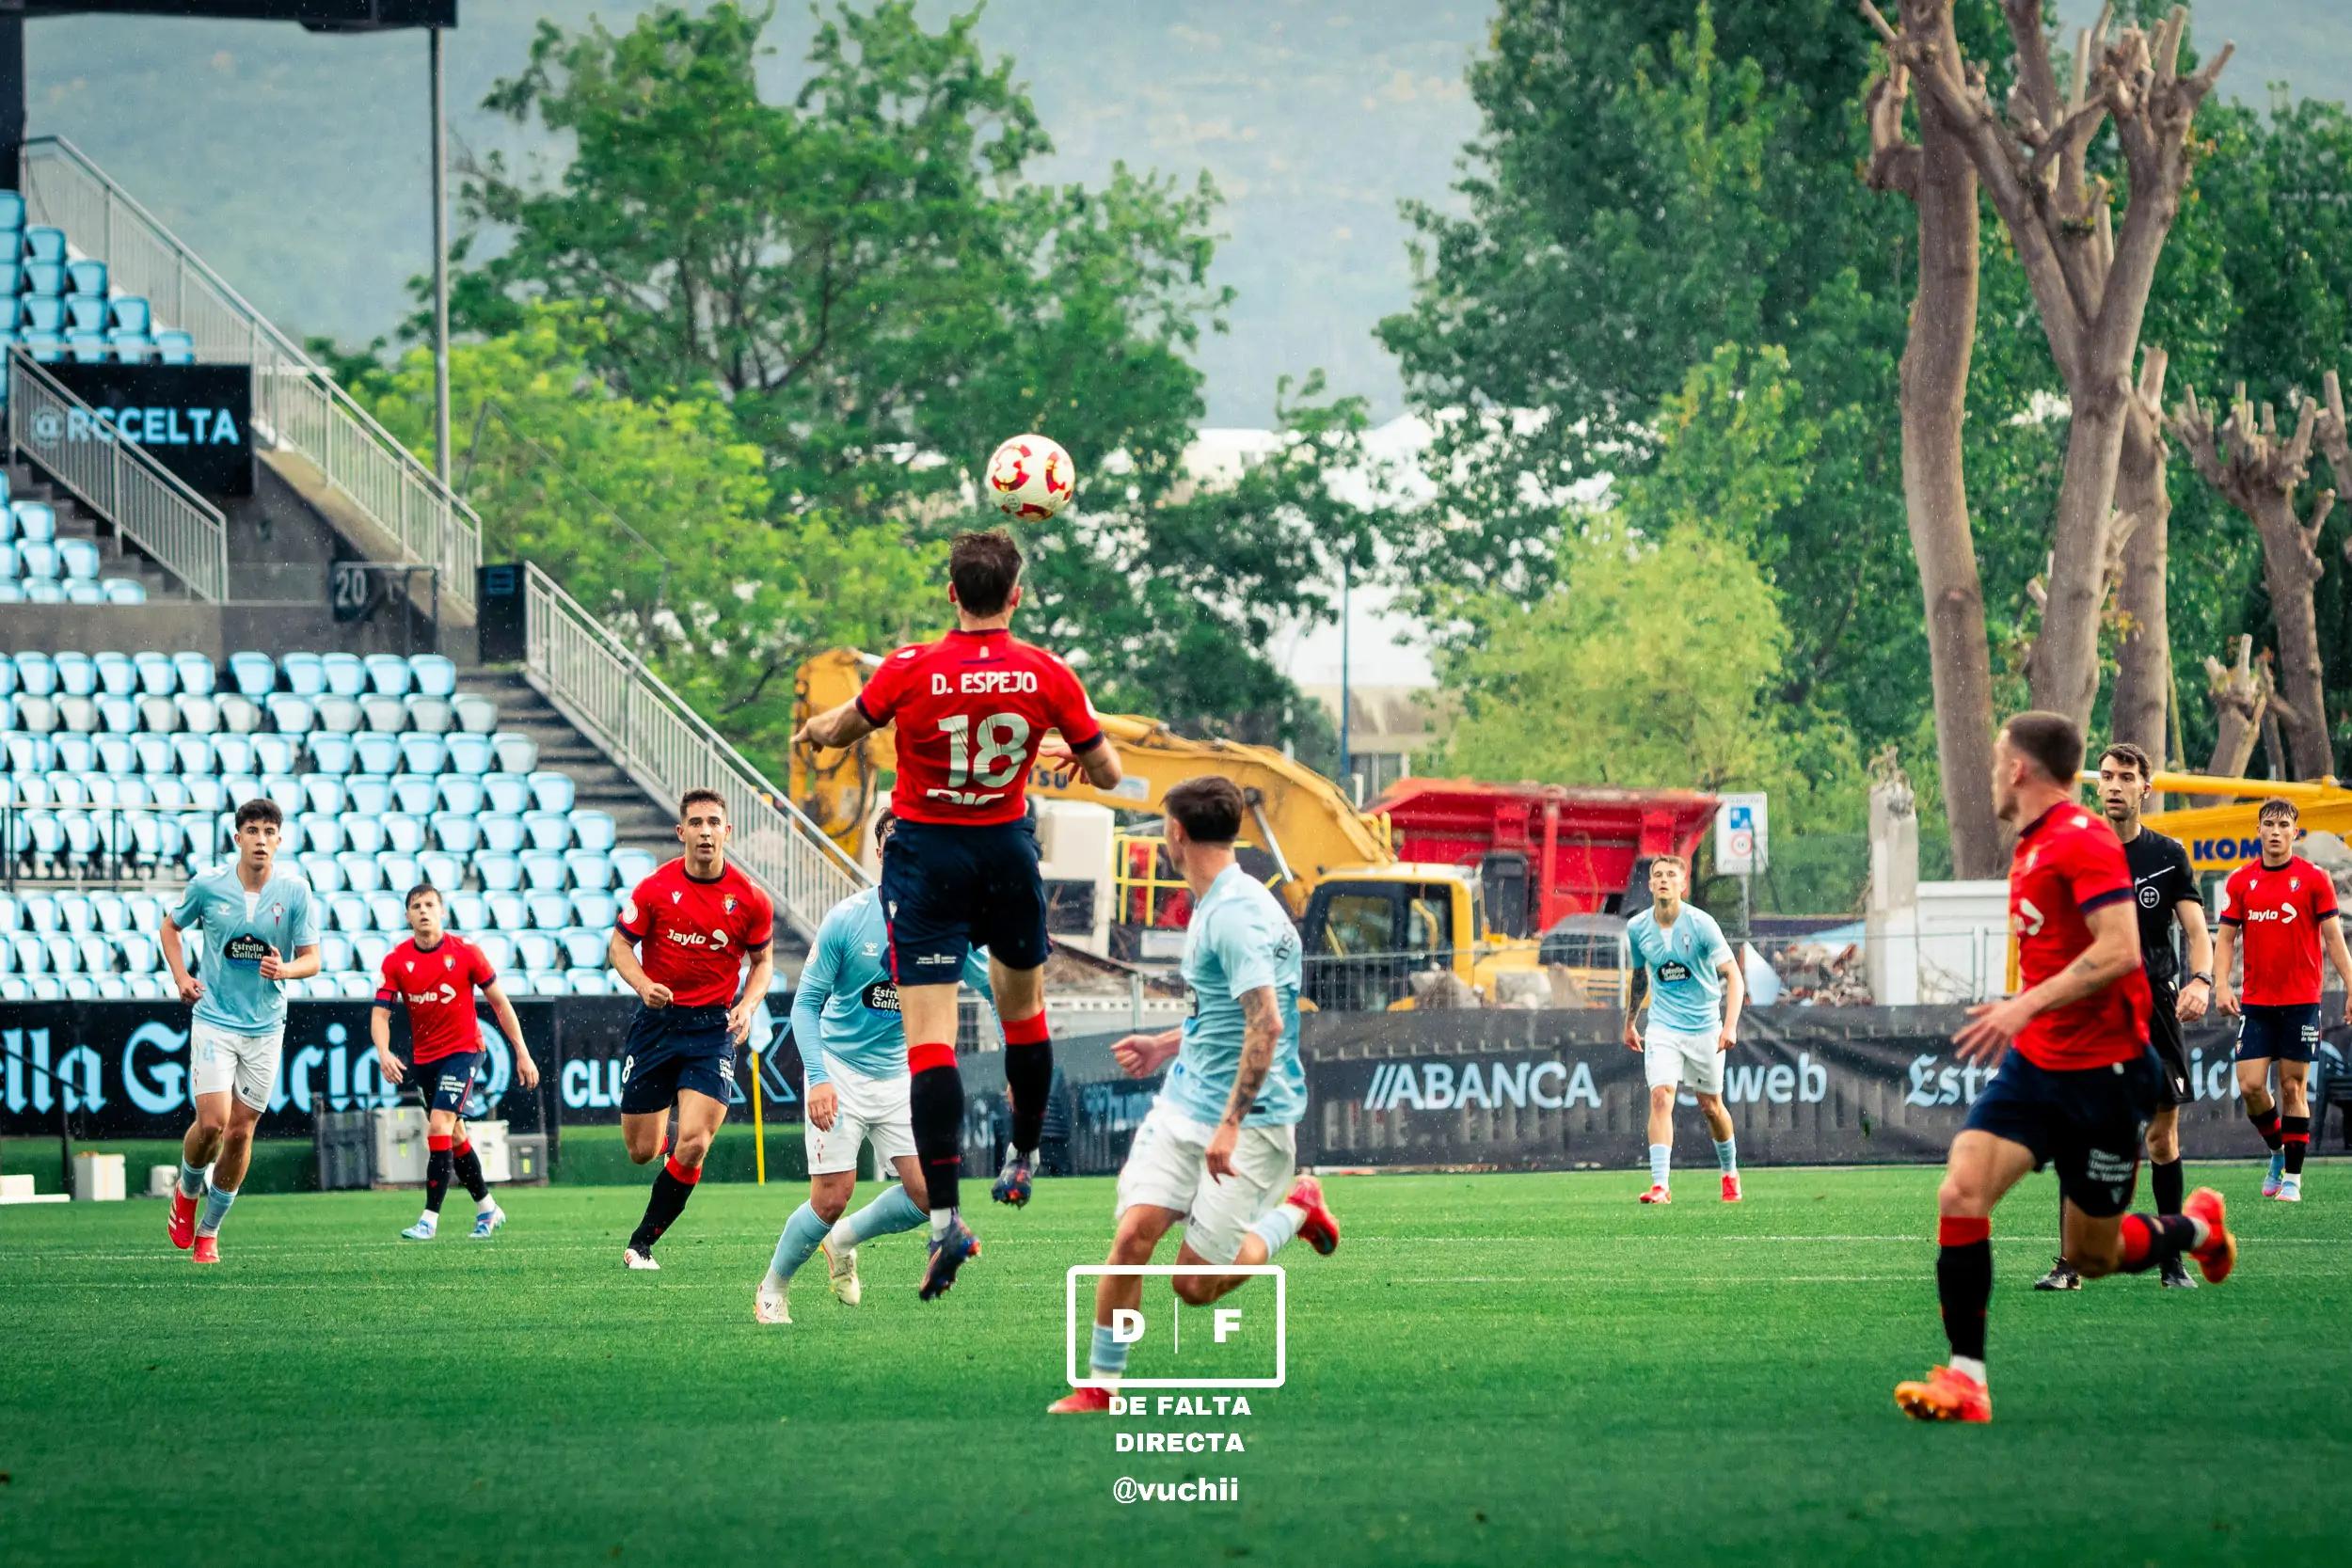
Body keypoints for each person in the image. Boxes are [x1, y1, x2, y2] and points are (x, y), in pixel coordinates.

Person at [793, 528, 1122, 1301]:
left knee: (931, 1041)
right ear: (1016, 595)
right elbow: (1109, 770)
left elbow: (843, 728)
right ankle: (1025, 1154)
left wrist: (813, 730)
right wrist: (1076, 753)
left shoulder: (910, 666)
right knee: (1024, 1014)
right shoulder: (1047, 672)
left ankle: (946, 1218)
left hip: (927, 859)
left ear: (951, 592)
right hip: (1006, 852)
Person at [1895, 712, 2236, 1424]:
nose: (1990, 770)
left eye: (1996, 759)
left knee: (2095, 1252)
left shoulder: (2079, 841)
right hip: (2036, 1065)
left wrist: (2024, 1004)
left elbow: (2118, 951)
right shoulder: (2031, 843)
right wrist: (2028, 1014)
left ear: (2020, 768)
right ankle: (1967, 1379)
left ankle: (2197, 1228)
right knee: (1961, 1191)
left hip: (2106, 1073)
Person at [1049, 777, 1339, 1414]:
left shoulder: (1235, 914)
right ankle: (1102, 1386)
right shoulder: (1221, 899)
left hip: (1251, 1123)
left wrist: (1231, 1124)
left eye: (1161, 826)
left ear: (1176, 832)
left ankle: (1297, 1209)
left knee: (1193, 1285)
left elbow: (1266, 1022)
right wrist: (1165, 1043)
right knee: (1133, 1236)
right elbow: (1228, 1015)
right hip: (1184, 1106)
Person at [755, 812, 997, 1323]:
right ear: (881, 853)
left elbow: (998, 985)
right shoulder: (847, 919)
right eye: (894, 842)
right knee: (830, 1198)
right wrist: (818, 1078)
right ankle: (773, 1285)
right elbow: (805, 1005)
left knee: (929, 1194)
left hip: (904, 1076)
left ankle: (843, 1242)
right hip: (840, 1071)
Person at [2036, 742, 2212, 1290]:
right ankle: (2067, 1266)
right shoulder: (2076, 850)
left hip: (2155, 1005)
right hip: (2092, 1006)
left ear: (2145, 788)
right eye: (2106, 776)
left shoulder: (2167, 854)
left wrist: (2202, 979)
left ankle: (2172, 1260)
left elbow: (2197, 932)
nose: (2113, 785)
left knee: (2161, 1138)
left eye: (2125, 777)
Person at [608, 788, 776, 1270]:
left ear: (728, 831)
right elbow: (620, 947)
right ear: (680, 832)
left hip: (713, 1028)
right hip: (657, 1024)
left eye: (714, 822)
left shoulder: (750, 898)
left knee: (697, 1141)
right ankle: (664, 1148)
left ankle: (641, 1243)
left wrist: (748, 1003)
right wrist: (643, 984)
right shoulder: (655, 889)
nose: (706, 830)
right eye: (696, 822)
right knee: (642, 1152)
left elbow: (762, 963)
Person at [160, 798, 322, 1264]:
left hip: (266, 1027)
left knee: (240, 1134)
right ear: (237, 838)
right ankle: (188, 1189)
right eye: (252, 830)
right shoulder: (208, 885)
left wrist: (286, 969)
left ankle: (209, 1232)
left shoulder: (295, 892)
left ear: (279, 840)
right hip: (215, 1018)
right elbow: (170, 929)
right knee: (212, 1123)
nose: (261, 839)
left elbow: (312, 958)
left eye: (269, 831)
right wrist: (181, 977)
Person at [370, 883, 540, 1241]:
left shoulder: (466, 953)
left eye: (430, 904)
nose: (423, 911)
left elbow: (500, 1003)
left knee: (438, 1126)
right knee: (455, 1136)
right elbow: (380, 1014)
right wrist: (383, 1052)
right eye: (416, 906)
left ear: (442, 910)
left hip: (464, 1052)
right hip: (425, 1060)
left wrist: (521, 1051)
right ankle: (487, 1207)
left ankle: (429, 1219)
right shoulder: (396, 961)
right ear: (407, 916)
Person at [2214, 797, 2352, 1203]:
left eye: (2283, 824)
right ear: (2258, 831)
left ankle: (2292, 1176)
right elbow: (2225, 939)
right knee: (2252, 1085)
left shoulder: (2315, 879)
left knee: (2293, 1086)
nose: (2275, 831)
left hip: (2301, 1001)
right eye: (2268, 824)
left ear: (2296, 831)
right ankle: (2277, 1152)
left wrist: (2350, 984)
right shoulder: (2241, 881)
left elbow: (2333, 939)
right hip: (2256, 1002)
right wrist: (2221, 985)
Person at [1622, 856, 1745, 1204]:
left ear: (1682, 885)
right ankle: (1660, 1185)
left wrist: (1730, 1025)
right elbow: (1641, 977)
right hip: (1662, 1026)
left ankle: (1729, 1173)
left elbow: (1733, 976)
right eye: (1657, 875)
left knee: (1711, 1106)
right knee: (1660, 1097)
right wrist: (1630, 1022)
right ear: (1649, 886)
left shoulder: (1701, 924)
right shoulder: (1637, 928)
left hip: (1705, 1026)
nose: (1663, 880)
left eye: (1671, 875)